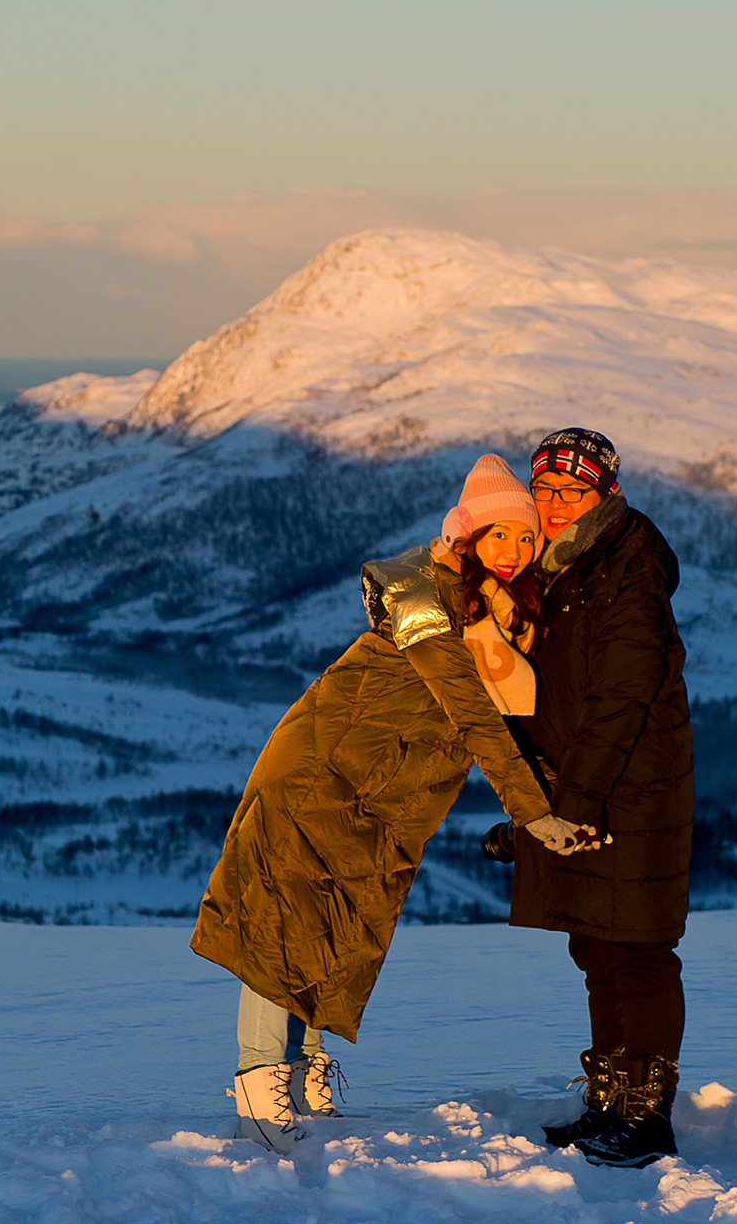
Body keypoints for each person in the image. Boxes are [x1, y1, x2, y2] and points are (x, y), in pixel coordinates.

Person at [192, 454, 600, 1152]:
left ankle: (302, 1064)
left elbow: (516, 713)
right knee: (286, 921)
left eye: (525, 539)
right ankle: (261, 1084)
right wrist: (536, 815)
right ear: (465, 536)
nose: (513, 551)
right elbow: (475, 718)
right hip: (322, 774)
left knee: (341, 923)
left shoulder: (491, 614)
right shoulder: (428, 601)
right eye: (498, 535)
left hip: (377, 788)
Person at [483, 427, 695, 1169]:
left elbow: (618, 702)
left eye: (572, 491)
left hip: (630, 793)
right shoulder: (562, 566)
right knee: (596, 947)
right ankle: (607, 1101)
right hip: (581, 788)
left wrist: (570, 807)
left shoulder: (627, 570)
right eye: (544, 490)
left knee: (638, 952)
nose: (555, 504)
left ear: (606, 492)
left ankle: (648, 1115)